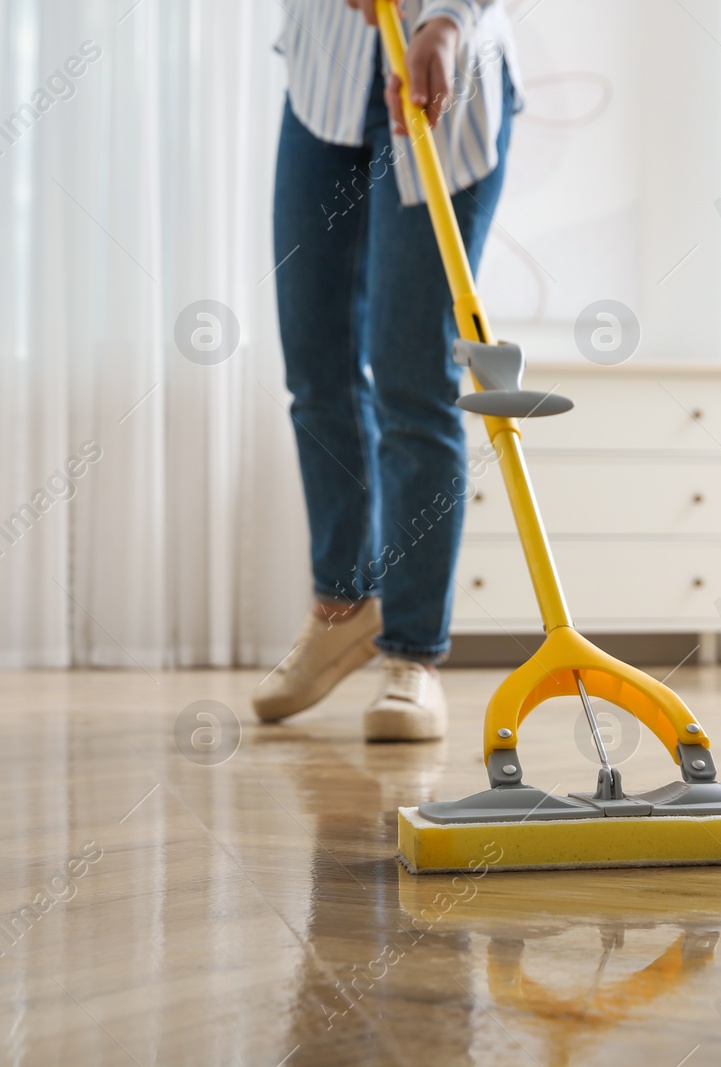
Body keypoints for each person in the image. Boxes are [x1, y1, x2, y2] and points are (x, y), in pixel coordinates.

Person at [256, 0, 520, 741]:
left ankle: (412, 655)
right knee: (316, 371)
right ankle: (341, 608)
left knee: (412, 379)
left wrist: (447, 18)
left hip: (448, 79)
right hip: (323, 83)